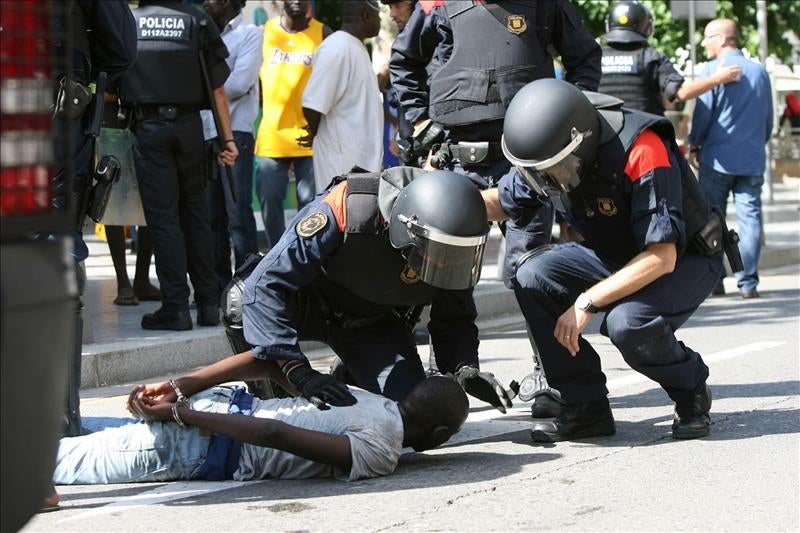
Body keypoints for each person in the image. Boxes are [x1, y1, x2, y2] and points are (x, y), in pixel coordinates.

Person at [390, 0, 602, 418]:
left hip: (525, 165)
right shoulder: (438, 5)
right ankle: (454, 374)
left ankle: (550, 375)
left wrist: (565, 127)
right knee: (449, 272)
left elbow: (584, 60)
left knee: (531, 271)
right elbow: (404, 62)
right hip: (457, 160)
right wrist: (419, 125)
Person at [486, 78, 724, 442]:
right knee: (530, 274)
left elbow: (661, 257)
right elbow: (499, 203)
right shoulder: (546, 158)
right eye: (538, 173)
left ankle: (691, 391)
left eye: (554, 170)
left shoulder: (642, 148)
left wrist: (588, 301)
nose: (546, 181)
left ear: (579, 143)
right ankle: (586, 407)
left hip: (684, 258)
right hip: (618, 256)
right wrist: (431, 204)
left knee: (627, 323)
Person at [231, 167, 513, 413]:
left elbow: (455, 318)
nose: (442, 263)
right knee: (238, 299)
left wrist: (465, 369)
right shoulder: (347, 206)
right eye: (436, 254)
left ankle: (349, 375)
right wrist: (297, 372)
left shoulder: (452, 242)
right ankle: (270, 403)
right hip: (306, 304)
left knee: (412, 414)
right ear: (409, 231)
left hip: (372, 324)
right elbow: (266, 284)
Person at [52, 352, 469, 484]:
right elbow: (274, 433)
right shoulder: (383, 452)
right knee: (50, 465)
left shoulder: (367, 398)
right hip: (203, 439)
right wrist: (182, 411)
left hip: (214, 410)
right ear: (437, 434)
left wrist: (181, 387)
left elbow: (267, 365)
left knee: (58, 442)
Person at [120, 0, 239, 330]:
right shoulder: (196, 20)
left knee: (164, 220)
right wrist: (227, 141)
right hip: (190, 129)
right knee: (196, 214)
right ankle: (207, 304)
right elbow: (218, 89)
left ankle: (175, 307)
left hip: (148, 128)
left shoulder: (130, 21)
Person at [688, 18, 773, 299]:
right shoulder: (760, 72)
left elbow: (702, 116)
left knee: (712, 218)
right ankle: (748, 283)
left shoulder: (714, 71)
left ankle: (715, 281)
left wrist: (695, 144)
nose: (704, 43)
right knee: (751, 219)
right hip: (752, 158)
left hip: (718, 159)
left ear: (723, 39)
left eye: (708, 37)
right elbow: (768, 120)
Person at [254, 0, 330, 249]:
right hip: (273, 136)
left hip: (311, 137)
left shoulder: (323, 33)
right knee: (269, 201)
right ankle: (277, 258)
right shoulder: (264, 32)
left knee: (311, 206)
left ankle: (305, 261)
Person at [202, 0, 261, 293]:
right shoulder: (203, 31)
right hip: (206, 132)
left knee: (237, 214)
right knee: (212, 215)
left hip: (236, 132)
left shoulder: (250, 33)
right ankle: (219, 287)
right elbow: (228, 84)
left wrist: (203, 86)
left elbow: (239, 83)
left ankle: (247, 287)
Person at [598, 1, 743, 116]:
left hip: (605, 140)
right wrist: (718, 78)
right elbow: (682, 93)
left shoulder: (595, 57)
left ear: (608, 24)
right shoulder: (652, 57)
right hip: (644, 138)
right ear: (647, 27)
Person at [299, 0, 383, 192]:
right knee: (343, 221)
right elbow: (312, 105)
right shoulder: (336, 47)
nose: (380, 20)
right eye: (378, 15)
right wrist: (314, 132)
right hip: (342, 171)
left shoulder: (355, 47)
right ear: (366, 16)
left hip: (361, 170)